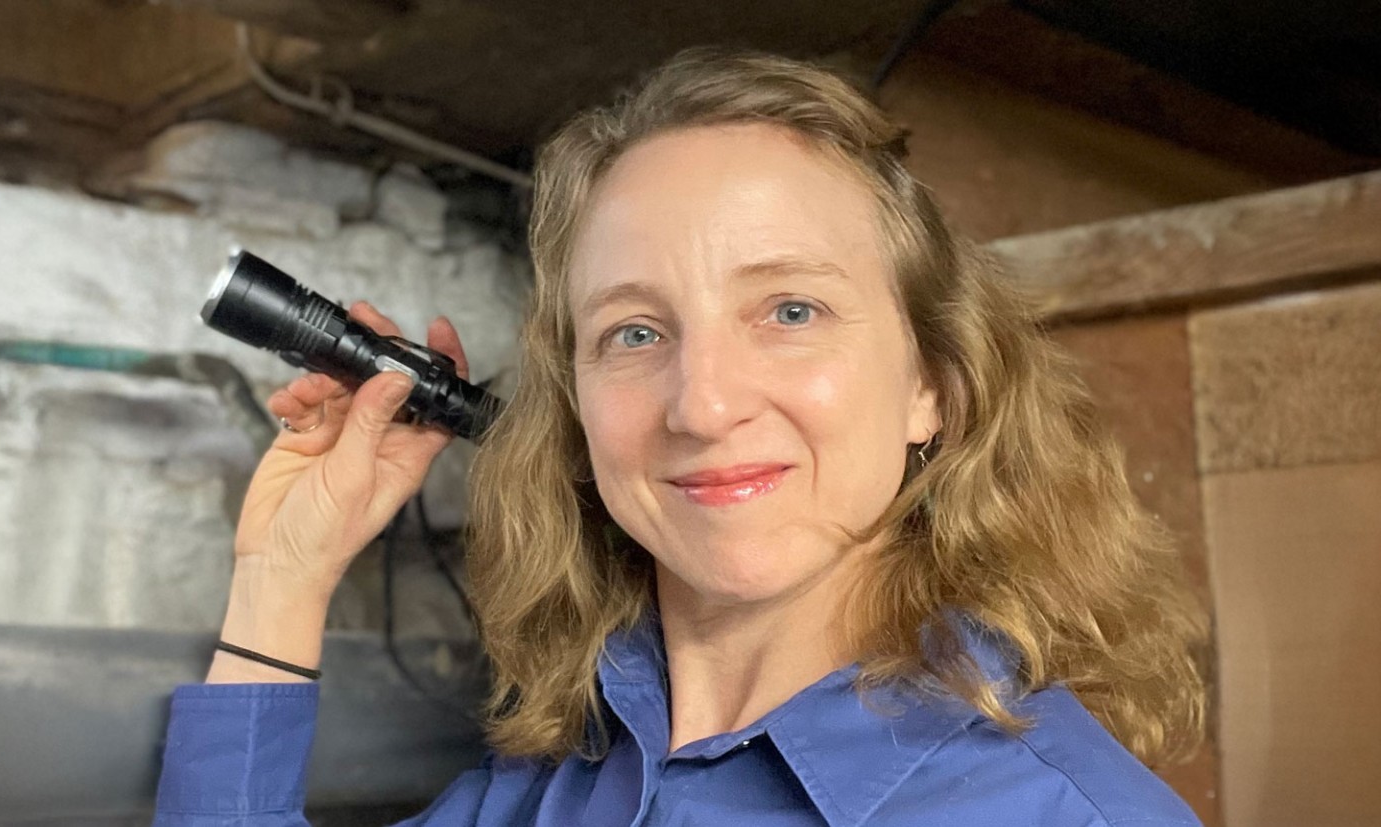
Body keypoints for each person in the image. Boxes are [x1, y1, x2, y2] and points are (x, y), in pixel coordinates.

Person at [153, 48, 1208, 826]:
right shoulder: (547, 786)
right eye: (636, 330)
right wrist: (279, 581)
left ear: (931, 383)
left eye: (790, 309)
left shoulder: (1062, 812)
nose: (701, 404)